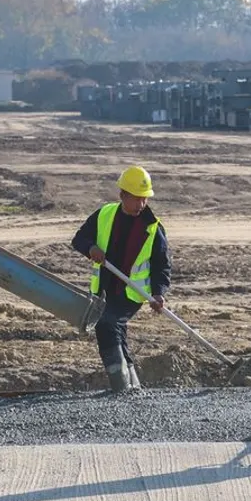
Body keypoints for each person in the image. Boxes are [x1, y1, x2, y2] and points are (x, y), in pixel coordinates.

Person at [71, 166, 172, 394]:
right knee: (116, 330)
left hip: (132, 293)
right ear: (123, 195)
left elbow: (161, 265)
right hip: (105, 290)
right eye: (137, 199)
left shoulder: (153, 227)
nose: (141, 205)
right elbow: (79, 239)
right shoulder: (104, 215)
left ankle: (120, 386)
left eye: (144, 199)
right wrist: (91, 248)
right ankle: (132, 386)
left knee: (107, 325)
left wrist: (159, 293)